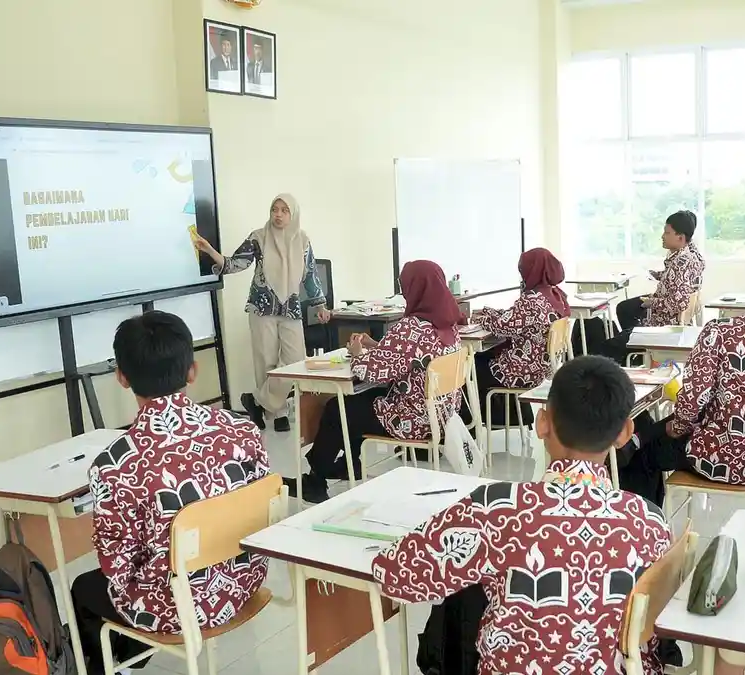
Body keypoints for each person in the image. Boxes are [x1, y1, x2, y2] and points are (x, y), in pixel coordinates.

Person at [372, 356, 672, 675]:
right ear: (625, 432)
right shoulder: (650, 521)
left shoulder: (497, 507)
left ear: (542, 421)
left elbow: (396, 576)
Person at [73, 311, 269, 674]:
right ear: (192, 371)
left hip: (178, 608)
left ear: (121, 377)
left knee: (84, 588)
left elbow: (116, 566)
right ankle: (131, 658)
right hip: (245, 583)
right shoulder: (242, 429)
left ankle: (121, 664)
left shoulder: (115, 464)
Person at [617, 262, 745, 506]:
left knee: (641, 456)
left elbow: (693, 399)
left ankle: (645, 527)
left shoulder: (719, 333)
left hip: (718, 457)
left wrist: (676, 428)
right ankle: (637, 439)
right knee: (671, 425)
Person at [293, 260, 462, 503]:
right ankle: (346, 463)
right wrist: (377, 345)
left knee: (338, 408)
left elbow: (370, 372)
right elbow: (410, 357)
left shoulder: (409, 329)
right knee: (357, 404)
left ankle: (316, 479)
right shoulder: (448, 324)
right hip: (441, 417)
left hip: (410, 420)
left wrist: (357, 353)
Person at [196, 194, 330, 432]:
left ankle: (257, 400)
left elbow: (310, 275)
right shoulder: (258, 237)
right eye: (274, 209)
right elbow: (235, 263)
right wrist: (211, 251)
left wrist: (321, 305)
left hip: (290, 307)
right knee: (266, 362)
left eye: (284, 210)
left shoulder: (302, 240)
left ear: (293, 214)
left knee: (296, 361)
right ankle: (276, 413)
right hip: (262, 307)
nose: (278, 215)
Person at [472, 247, 569, 427]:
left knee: (470, 369)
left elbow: (503, 327)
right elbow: (514, 318)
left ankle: (476, 426)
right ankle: (512, 419)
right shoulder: (556, 295)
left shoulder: (531, 300)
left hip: (519, 372)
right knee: (481, 359)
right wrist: (489, 312)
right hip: (539, 368)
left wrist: (481, 319)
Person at [592, 211, 705, 363]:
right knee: (625, 313)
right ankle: (634, 350)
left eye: (667, 233)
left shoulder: (681, 263)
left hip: (662, 327)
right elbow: (675, 283)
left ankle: (637, 353)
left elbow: (678, 303)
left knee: (606, 347)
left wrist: (651, 302)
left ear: (680, 237)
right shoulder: (686, 256)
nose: (662, 236)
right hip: (661, 319)